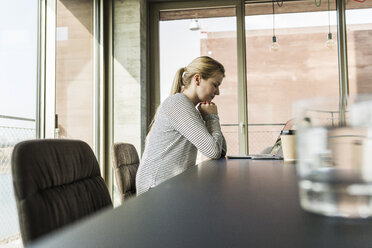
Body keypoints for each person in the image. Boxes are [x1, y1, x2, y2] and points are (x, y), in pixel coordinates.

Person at [136, 56, 227, 195]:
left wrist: (209, 117)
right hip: (155, 191)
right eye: (215, 84)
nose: (218, 92)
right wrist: (211, 117)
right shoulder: (178, 103)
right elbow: (213, 151)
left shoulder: (191, 109)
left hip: (171, 187)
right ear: (197, 79)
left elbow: (221, 151)